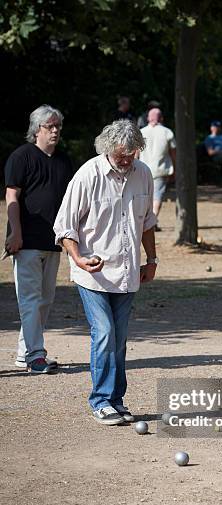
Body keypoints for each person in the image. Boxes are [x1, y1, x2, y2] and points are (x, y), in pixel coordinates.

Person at [53, 120, 158, 425]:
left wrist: (151, 259)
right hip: (93, 274)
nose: (126, 160)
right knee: (105, 333)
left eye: (131, 154)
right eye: (120, 155)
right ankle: (100, 400)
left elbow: (147, 222)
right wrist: (78, 258)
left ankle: (116, 400)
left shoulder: (144, 174)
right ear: (107, 150)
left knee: (120, 338)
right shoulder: (88, 175)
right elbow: (65, 225)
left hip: (127, 274)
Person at [4, 104, 73, 373]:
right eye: (50, 126)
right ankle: (35, 356)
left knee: (45, 300)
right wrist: (16, 233)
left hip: (54, 241)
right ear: (37, 130)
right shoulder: (21, 157)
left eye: (58, 126)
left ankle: (25, 353)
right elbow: (12, 197)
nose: (55, 131)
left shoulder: (64, 161)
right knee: (30, 300)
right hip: (27, 242)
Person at [139, 108, 176, 230]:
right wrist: (175, 168)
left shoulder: (141, 132)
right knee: (157, 196)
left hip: (143, 169)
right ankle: (152, 222)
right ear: (161, 118)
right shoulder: (167, 132)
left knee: (146, 196)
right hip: (160, 169)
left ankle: (149, 221)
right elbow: (173, 153)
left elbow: (135, 153)